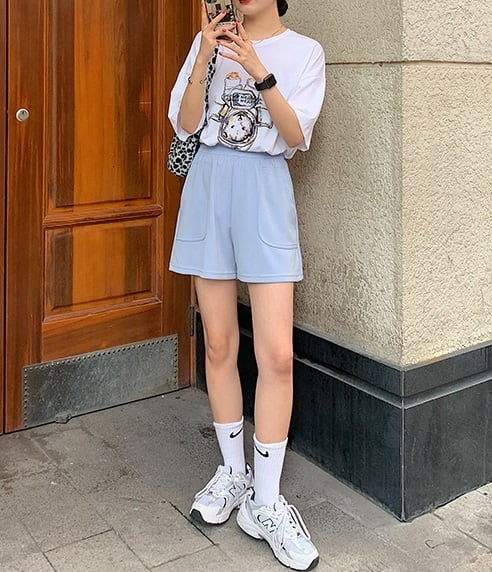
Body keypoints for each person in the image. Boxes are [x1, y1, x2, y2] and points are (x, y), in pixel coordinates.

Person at [168, 1, 325, 569]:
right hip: (209, 185)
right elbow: (187, 123)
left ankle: (266, 499)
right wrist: (205, 55)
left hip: (265, 192)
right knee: (218, 343)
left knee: (277, 353)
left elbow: (295, 135)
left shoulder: (305, 51)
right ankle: (233, 473)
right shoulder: (205, 42)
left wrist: (257, 68)